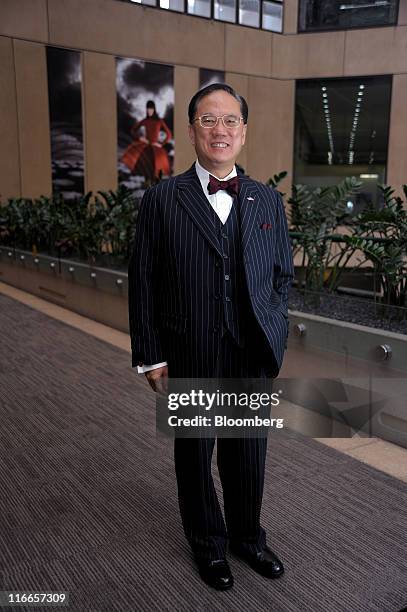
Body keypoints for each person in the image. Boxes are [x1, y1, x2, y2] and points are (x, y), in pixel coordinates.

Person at [128, 83, 294, 590]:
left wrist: (274, 334)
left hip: (250, 352)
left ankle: (248, 538)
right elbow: (143, 281)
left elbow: (283, 277)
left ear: (243, 133)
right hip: (190, 348)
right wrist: (150, 355)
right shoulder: (161, 200)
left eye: (230, 121)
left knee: (248, 452)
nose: (219, 130)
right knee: (195, 454)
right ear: (193, 129)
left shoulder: (268, 200)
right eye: (208, 120)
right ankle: (208, 545)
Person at [121, 100, 172, 180]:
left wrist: (160, 144)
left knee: (157, 169)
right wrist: (140, 138)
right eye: (148, 109)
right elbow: (133, 130)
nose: (149, 111)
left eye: (151, 109)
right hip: (146, 144)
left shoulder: (159, 121)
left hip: (155, 146)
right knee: (141, 167)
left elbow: (169, 135)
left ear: (154, 109)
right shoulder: (145, 120)